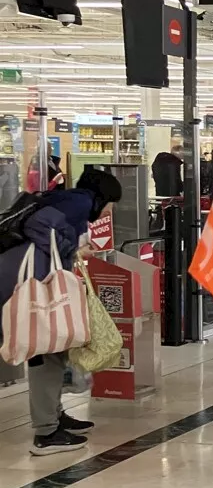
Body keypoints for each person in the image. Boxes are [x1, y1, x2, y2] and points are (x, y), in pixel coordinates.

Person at [0, 168, 121, 455]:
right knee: (47, 352)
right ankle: (46, 432)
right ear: (101, 196)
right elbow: (40, 226)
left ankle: (54, 416)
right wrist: (73, 251)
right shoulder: (78, 203)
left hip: (26, 283)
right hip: (28, 288)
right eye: (110, 205)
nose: (108, 213)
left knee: (53, 351)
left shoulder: (69, 200)